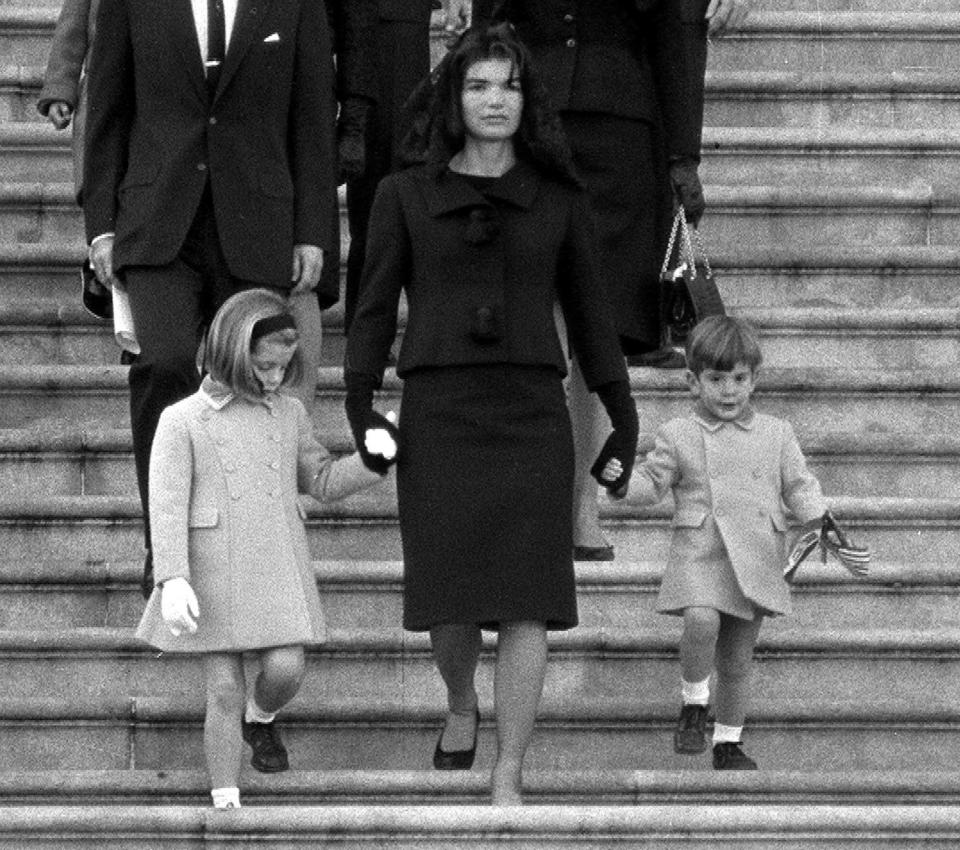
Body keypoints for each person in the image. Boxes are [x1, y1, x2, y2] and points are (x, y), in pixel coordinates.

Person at [344, 24, 639, 804]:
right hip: (439, 413)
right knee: (447, 603)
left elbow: (593, 316)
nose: (494, 99)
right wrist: (357, 400)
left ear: (527, 98)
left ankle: (510, 770)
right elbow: (372, 310)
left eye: (508, 84)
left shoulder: (560, 198)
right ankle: (458, 700)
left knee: (528, 603)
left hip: (532, 417)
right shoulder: (402, 195)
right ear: (453, 97)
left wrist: (622, 415)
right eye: (478, 85)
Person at [471, 0, 751, 561]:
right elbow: (488, 31)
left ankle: (580, 509)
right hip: (532, 132)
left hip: (623, 140)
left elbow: (676, 39)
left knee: (596, 327)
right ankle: (530, 501)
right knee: (535, 317)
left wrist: (683, 157)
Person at [82, 0, 338, 596]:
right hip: (157, 219)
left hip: (256, 219)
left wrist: (313, 231)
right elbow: (109, 110)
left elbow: (311, 117)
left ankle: (244, 543)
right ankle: (165, 545)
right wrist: (100, 224)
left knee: (249, 383)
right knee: (165, 363)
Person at [136, 289, 389, 808]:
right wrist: (172, 576)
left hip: (273, 559)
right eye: (264, 367)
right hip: (211, 567)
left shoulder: (288, 413)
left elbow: (319, 478)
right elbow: (164, 503)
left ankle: (263, 717)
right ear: (232, 351)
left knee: (287, 668)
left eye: (282, 367)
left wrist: (377, 458)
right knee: (223, 688)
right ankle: (225, 797)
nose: (275, 378)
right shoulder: (181, 418)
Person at [601, 315, 855, 770]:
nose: (729, 390)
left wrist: (819, 518)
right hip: (703, 549)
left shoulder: (777, 433)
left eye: (739, 378)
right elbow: (653, 482)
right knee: (700, 619)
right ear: (693, 382)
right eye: (716, 379)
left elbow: (798, 485)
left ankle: (728, 741)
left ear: (754, 379)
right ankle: (695, 698)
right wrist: (623, 486)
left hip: (757, 552)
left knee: (737, 659)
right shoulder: (679, 434)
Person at [340, 0, 435, 335]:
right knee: (380, 200)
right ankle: (366, 341)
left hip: (400, 19)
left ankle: (407, 336)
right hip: (377, 22)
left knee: (404, 187)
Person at [36, 0, 99, 204]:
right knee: (100, 190)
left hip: (162, 94)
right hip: (100, 91)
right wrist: (60, 91)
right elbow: (73, 25)